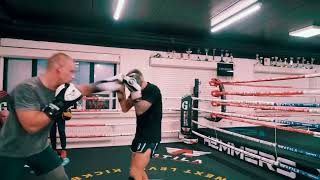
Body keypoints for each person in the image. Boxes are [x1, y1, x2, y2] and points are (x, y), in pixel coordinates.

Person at [0, 52, 124, 180]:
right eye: (71, 71)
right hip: (12, 150)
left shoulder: (60, 88)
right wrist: (59, 103)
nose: (73, 76)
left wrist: (115, 82)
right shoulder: (27, 89)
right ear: (59, 69)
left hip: (40, 147)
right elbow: (31, 126)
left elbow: (86, 88)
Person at [117, 69, 163, 180]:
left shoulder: (152, 90)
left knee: (134, 173)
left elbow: (140, 110)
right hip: (140, 135)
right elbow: (124, 108)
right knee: (138, 170)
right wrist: (120, 90)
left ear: (141, 79)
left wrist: (134, 91)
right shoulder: (135, 92)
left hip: (150, 137)